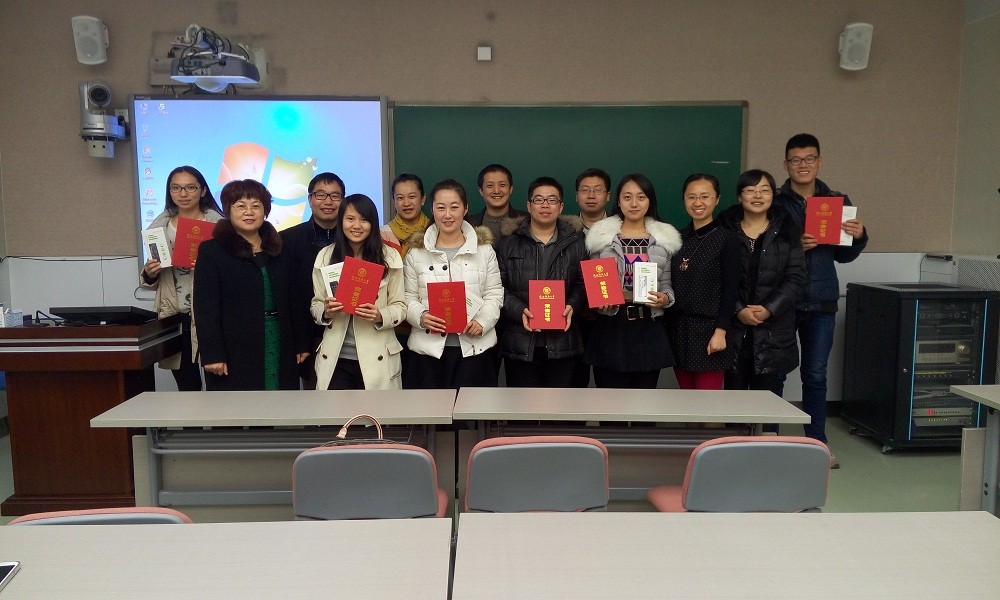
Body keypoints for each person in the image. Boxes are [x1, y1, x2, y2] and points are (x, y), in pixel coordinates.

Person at [773, 134, 867, 465]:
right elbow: (764, 250)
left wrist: (859, 237)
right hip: (783, 301)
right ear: (786, 164)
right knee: (776, 373)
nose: (803, 165)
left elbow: (845, 256)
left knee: (815, 375)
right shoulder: (774, 201)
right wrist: (794, 246)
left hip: (822, 301)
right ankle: (769, 441)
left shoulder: (836, 201)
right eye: (795, 160)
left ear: (819, 161)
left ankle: (817, 444)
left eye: (809, 158)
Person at [194, 179, 310, 391]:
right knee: (238, 406)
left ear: (265, 210)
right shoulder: (212, 251)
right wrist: (212, 353)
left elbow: (294, 298)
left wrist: (301, 342)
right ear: (228, 210)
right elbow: (205, 308)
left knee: (281, 402)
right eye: (241, 206)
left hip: (280, 338)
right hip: (234, 345)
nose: (249, 212)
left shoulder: (280, 248)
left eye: (256, 206)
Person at [403, 179, 503, 388]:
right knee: (430, 409)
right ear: (432, 210)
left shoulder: (484, 251)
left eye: (454, 207)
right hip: (427, 352)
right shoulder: (416, 253)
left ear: (465, 209)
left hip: (475, 350)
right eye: (441, 208)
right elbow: (408, 297)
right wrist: (421, 316)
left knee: (472, 409)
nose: (447, 215)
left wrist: (482, 322)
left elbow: (494, 294)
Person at [584, 173, 681, 389]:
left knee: (644, 403)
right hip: (611, 327)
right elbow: (594, 283)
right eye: (627, 197)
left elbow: (667, 284)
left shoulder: (664, 239)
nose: (634, 203)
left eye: (641, 197)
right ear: (618, 201)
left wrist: (665, 298)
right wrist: (599, 301)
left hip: (648, 327)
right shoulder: (601, 237)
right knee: (609, 403)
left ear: (650, 201)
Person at [718, 170, 806, 402]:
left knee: (767, 404)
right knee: (733, 403)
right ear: (740, 196)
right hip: (733, 331)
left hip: (772, 332)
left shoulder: (788, 232)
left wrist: (769, 308)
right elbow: (715, 277)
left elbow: (796, 278)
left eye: (765, 190)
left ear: (773, 196)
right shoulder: (723, 232)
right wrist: (738, 310)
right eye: (750, 190)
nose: (758, 196)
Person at [495, 176, 588, 387]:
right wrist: (518, 310)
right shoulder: (508, 243)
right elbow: (496, 287)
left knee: (560, 405)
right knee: (522, 406)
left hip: (563, 342)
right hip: (520, 342)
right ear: (529, 205)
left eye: (552, 200)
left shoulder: (577, 242)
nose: (545, 205)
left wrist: (572, 305)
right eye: (539, 200)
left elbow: (583, 284)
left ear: (561, 206)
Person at [140, 166, 224, 391]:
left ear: (203, 191)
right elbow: (151, 276)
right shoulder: (159, 228)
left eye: (190, 187)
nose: (183, 194)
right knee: (187, 388)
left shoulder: (220, 227)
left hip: (211, 314)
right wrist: (150, 272)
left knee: (219, 385)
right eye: (176, 188)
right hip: (175, 314)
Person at [312, 194, 406, 390]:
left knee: (375, 410)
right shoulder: (326, 256)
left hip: (377, 356)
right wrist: (326, 311)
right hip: (337, 358)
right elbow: (316, 304)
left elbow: (400, 306)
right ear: (341, 221)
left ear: (373, 223)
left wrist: (380, 315)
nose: (356, 226)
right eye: (350, 219)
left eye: (364, 220)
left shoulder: (389, 256)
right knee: (336, 410)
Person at [665, 174, 741, 390]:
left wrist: (721, 331)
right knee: (686, 398)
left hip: (711, 332)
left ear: (717, 199)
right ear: (684, 200)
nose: (697, 203)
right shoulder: (677, 239)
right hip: (679, 331)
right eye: (691, 197)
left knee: (708, 403)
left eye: (705, 196)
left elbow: (731, 290)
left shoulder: (727, 239)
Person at [281, 172, 345, 387]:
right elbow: (287, 295)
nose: (328, 201)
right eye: (320, 195)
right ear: (310, 199)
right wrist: (298, 340)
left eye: (335, 196)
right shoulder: (287, 240)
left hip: (349, 330)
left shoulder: (355, 238)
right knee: (315, 396)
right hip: (306, 334)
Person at [571, 167, 612, 387]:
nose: (591, 195)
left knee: (609, 385)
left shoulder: (621, 230)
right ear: (576, 195)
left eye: (597, 190)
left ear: (608, 195)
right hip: (573, 319)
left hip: (610, 317)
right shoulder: (564, 230)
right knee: (575, 383)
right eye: (585, 190)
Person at [466, 163, 527, 239]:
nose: (496, 191)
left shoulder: (527, 221)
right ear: (481, 191)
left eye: (502, 185)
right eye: (490, 186)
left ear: (510, 189)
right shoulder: (468, 225)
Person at [380, 173, 430, 259]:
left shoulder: (433, 230)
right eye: (400, 198)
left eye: (412, 196)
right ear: (394, 201)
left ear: (423, 199)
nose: (406, 203)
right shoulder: (383, 234)